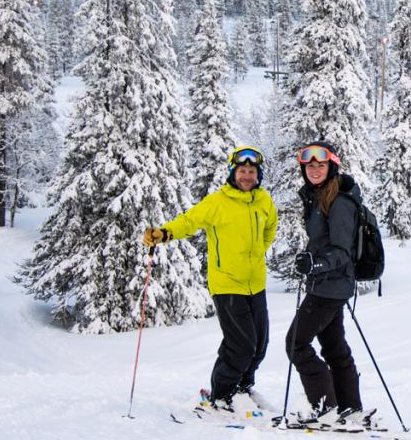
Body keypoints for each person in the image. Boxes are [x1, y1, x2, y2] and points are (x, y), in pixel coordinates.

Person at [143, 146, 277, 411]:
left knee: (259, 345)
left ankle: (242, 389)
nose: (247, 176)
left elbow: (271, 225)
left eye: (252, 171)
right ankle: (222, 395)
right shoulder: (217, 202)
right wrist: (165, 233)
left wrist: (260, 249)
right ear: (233, 173)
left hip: (256, 284)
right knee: (241, 345)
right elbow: (189, 221)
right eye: (242, 171)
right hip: (227, 285)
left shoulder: (264, 201)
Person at [286, 141, 367, 423]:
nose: (315, 170)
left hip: (330, 285)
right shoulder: (318, 196)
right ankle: (350, 408)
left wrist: (316, 264)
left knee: (295, 343)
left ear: (331, 166)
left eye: (320, 165)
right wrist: (310, 260)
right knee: (334, 348)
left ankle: (325, 405)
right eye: (310, 165)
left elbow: (341, 250)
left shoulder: (340, 201)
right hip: (328, 284)